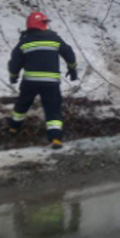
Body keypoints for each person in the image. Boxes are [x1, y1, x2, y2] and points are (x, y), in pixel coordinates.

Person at [7, 11, 78, 149]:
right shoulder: (54, 38)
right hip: (51, 83)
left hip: (30, 83)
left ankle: (13, 129)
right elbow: (69, 53)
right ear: (43, 25)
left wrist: (13, 75)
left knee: (22, 105)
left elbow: (15, 61)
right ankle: (56, 138)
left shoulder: (25, 41)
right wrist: (72, 69)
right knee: (53, 109)